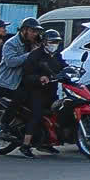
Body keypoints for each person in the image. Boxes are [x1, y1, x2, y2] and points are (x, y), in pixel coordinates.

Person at [18, 27, 66, 155]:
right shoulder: (36, 55)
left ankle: (47, 142)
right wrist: (39, 78)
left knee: (58, 112)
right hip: (35, 91)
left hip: (52, 91)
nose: (54, 45)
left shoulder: (57, 55)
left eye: (56, 42)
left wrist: (71, 71)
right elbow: (26, 75)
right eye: (51, 42)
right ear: (44, 42)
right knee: (37, 114)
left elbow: (63, 66)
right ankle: (25, 145)